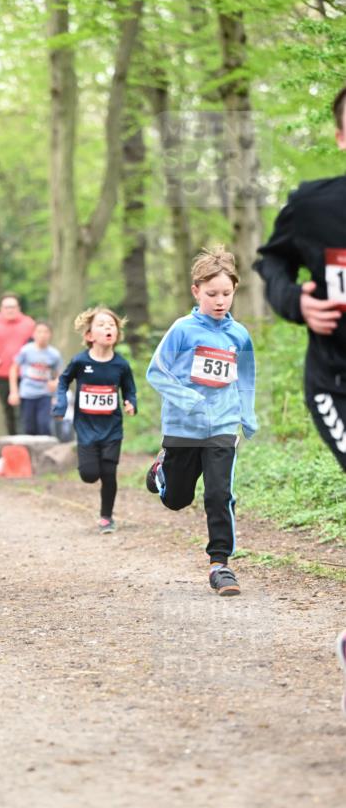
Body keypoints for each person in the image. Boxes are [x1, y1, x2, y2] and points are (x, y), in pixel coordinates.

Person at [145, 245, 257, 597]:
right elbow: (156, 372)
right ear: (196, 291)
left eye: (226, 293)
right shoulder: (182, 330)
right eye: (212, 294)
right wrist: (188, 399)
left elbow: (246, 377)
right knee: (177, 499)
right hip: (182, 427)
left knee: (219, 494)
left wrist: (247, 414)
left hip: (223, 426)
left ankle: (220, 565)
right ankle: (162, 470)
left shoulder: (238, 334)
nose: (220, 300)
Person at [253, 84, 346, 471]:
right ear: (341, 138)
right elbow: (272, 262)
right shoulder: (313, 207)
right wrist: (296, 302)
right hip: (336, 382)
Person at [53, 307, 137, 534]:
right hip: (86, 428)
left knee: (109, 474)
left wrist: (131, 403)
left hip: (112, 429)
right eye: (101, 325)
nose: (108, 328)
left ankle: (106, 517)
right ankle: (90, 466)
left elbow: (129, 390)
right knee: (89, 475)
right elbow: (63, 381)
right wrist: (61, 403)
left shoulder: (121, 365)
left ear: (117, 334)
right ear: (89, 335)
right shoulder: (80, 361)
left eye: (112, 325)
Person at [0, 293, 36, 435]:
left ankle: (27, 439)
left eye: (13, 307)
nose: (10, 310)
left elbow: (38, 347)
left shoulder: (29, 324)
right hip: (2, 374)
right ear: (1, 308)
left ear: (19, 308)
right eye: (7, 307)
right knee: (9, 410)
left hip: (27, 375)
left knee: (26, 410)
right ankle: (14, 440)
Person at [9, 320, 62, 436]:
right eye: (39, 332)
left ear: (50, 334)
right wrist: (14, 392)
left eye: (46, 332)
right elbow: (13, 369)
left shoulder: (54, 354)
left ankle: (46, 452)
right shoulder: (26, 350)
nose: (42, 335)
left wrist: (56, 383)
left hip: (45, 394)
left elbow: (60, 375)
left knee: (44, 425)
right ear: (33, 334)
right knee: (29, 427)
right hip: (27, 393)